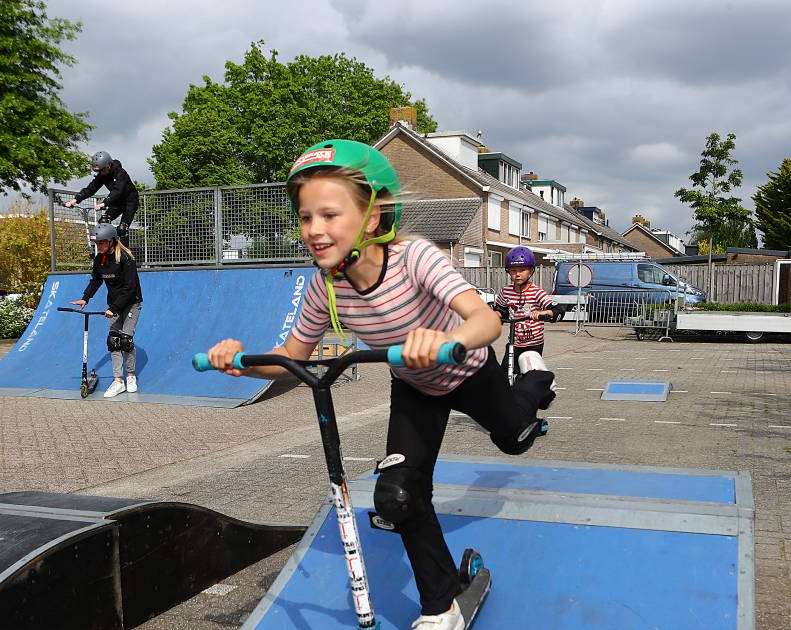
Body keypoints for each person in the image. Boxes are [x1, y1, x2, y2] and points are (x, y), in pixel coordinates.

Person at [205, 140, 555, 629]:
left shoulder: (414, 258)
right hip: (414, 388)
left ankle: (535, 377)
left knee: (514, 437)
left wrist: (446, 339)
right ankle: (442, 605)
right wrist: (242, 364)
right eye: (306, 217)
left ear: (372, 218)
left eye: (329, 215)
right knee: (398, 496)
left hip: (470, 371)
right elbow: (292, 359)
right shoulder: (326, 286)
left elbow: (485, 320)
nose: (314, 230)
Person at [69, 222, 142, 398]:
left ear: (111, 241)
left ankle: (131, 376)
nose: (98, 246)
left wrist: (114, 308)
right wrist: (85, 298)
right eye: (96, 243)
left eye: (101, 243)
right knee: (113, 340)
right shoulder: (99, 260)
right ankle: (118, 381)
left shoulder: (125, 258)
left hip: (131, 302)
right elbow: (96, 281)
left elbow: (130, 287)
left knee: (125, 340)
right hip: (114, 304)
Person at [493, 246, 556, 369]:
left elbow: (556, 310)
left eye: (522, 270)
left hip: (533, 344)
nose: (517, 274)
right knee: (504, 375)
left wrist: (542, 313)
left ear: (531, 270)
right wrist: (496, 315)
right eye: (513, 270)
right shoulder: (506, 291)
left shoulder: (536, 292)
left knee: (530, 375)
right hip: (514, 343)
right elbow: (501, 309)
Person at [64, 151, 139, 243]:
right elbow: (91, 189)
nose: (101, 173)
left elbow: (118, 190)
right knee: (103, 223)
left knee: (122, 229)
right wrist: (75, 200)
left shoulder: (120, 173)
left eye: (102, 170)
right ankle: (110, 248)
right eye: (98, 171)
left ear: (109, 165)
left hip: (130, 202)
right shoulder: (102, 175)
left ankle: (124, 251)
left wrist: (104, 203)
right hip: (117, 202)